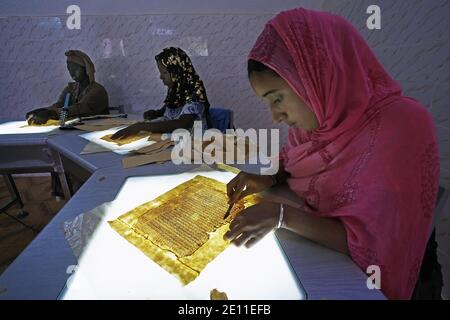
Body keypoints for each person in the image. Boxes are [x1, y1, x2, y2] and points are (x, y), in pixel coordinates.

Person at [225, 8, 441, 300]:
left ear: (316, 75)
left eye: (277, 98)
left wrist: (281, 215)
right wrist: (268, 179)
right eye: (268, 102)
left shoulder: (402, 125)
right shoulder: (316, 124)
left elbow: (376, 246)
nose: (275, 116)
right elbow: (293, 162)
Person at [111, 47, 209, 140]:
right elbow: (170, 110)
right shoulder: (175, 89)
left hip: (193, 145)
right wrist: (156, 113)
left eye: (164, 73)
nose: (161, 77)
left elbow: (182, 123)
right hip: (173, 140)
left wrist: (141, 126)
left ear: (177, 72)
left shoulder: (195, 90)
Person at [26, 49, 109, 124]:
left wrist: (52, 113)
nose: (71, 72)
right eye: (69, 69)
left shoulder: (97, 90)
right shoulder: (70, 88)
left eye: (75, 69)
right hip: (75, 130)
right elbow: (59, 105)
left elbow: (81, 108)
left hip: (95, 131)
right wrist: (44, 110)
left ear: (86, 69)